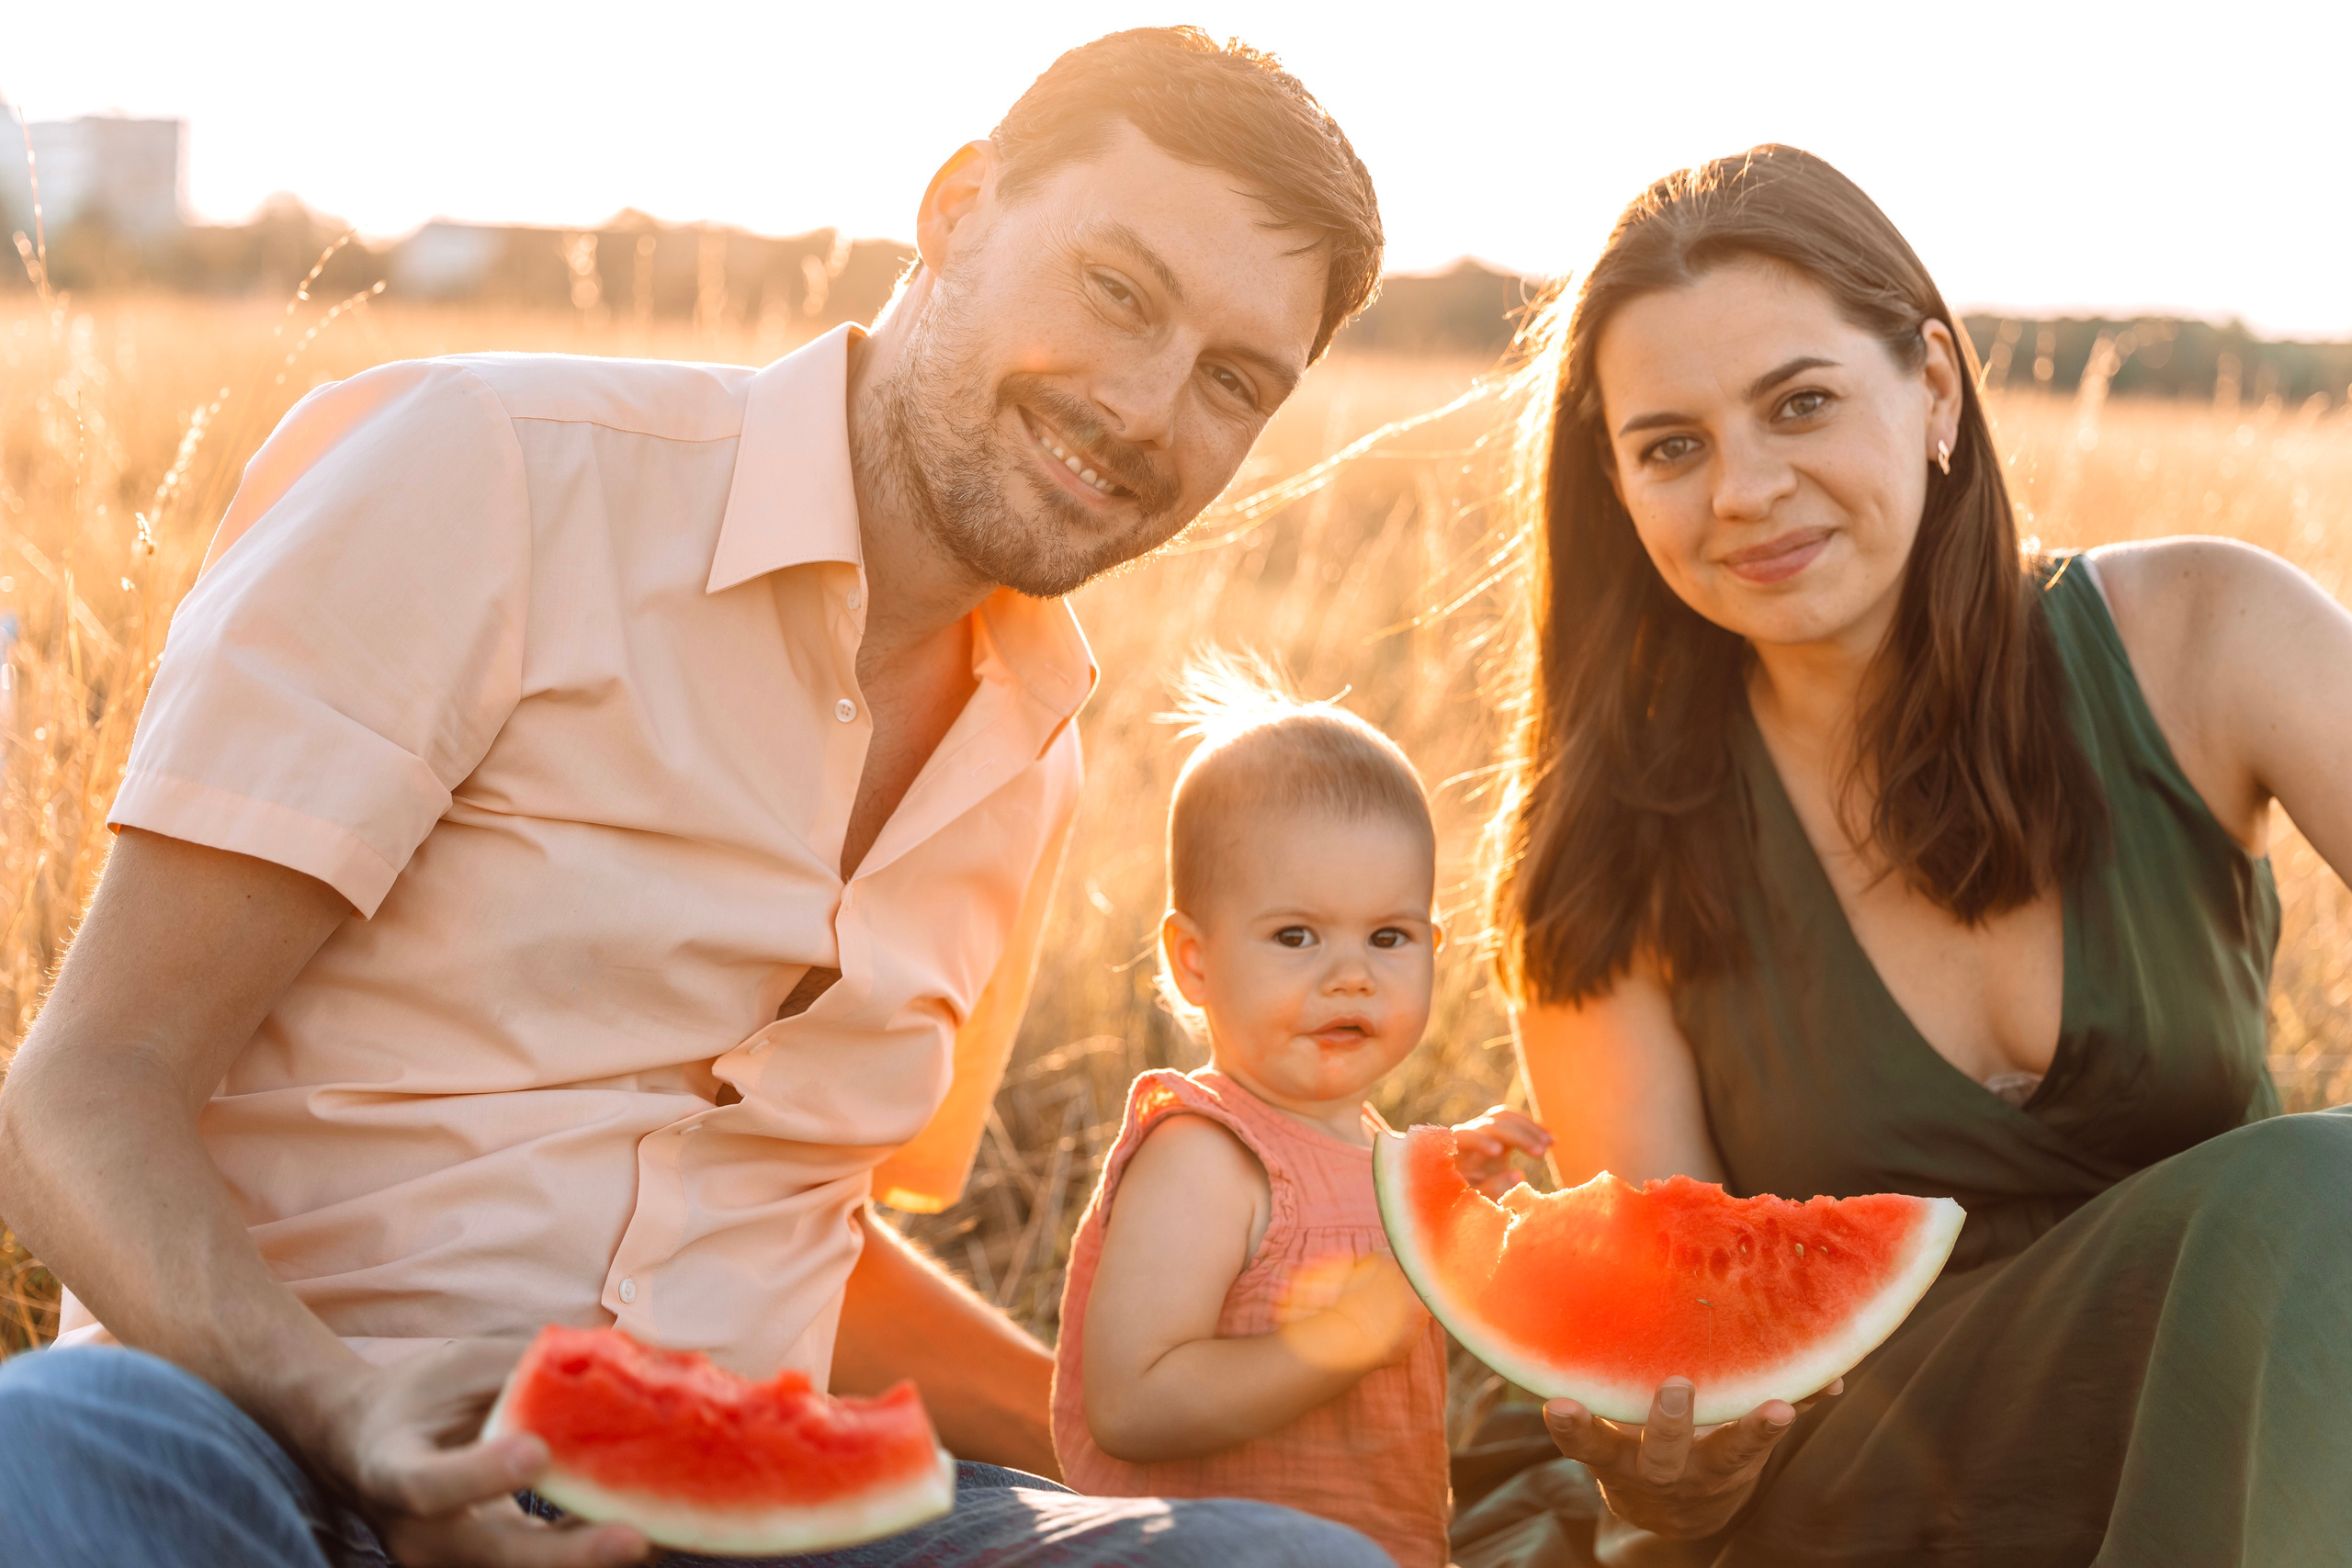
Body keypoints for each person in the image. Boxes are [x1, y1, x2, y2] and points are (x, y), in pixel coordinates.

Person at [0, 28, 1398, 1568]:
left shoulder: (1034, 751)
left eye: (1234, 380)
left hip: (751, 1514)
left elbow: (803, 1227)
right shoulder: (489, 474)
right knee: (41, 1448)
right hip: (277, 1446)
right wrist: (351, 1412)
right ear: (955, 209)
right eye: (1120, 293)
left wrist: (1154, 1442)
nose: (1146, 408)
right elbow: (86, 1085)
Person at [1481, 143, 2352, 1566]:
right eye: (1673, 446)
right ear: (1621, 491)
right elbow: (1676, 1368)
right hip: (1857, 1502)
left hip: (2256, 1423)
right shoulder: (1604, 848)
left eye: (1802, 402)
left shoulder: (2212, 635)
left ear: (1935, 391)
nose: (1747, 489)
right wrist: (1671, 1471)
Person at [1050, 660, 1551, 1568]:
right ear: (1193, 960)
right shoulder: (1205, 1154)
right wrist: (1344, 1338)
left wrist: (1461, 1188)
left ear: (1434, 949)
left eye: (1388, 937)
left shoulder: (1385, 1160)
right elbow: (1131, 1404)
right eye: (1296, 936)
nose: (1350, 973)